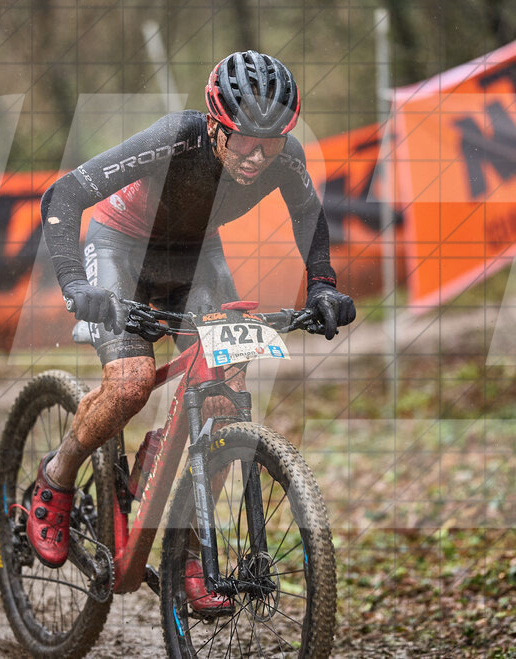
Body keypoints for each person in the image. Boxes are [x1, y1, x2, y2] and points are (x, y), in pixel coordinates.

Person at [31, 50, 356, 609]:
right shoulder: (176, 137)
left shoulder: (283, 156)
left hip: (197, 257)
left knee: (227, 395)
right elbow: (64, 194)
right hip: (120, 249)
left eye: (272, 141)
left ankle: (186, 551)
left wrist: (323, 284)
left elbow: (309, 216)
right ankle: (56, 478)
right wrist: (74, 288)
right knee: (131, 385)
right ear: (213, 123)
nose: (257, 156)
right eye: (243, 139)